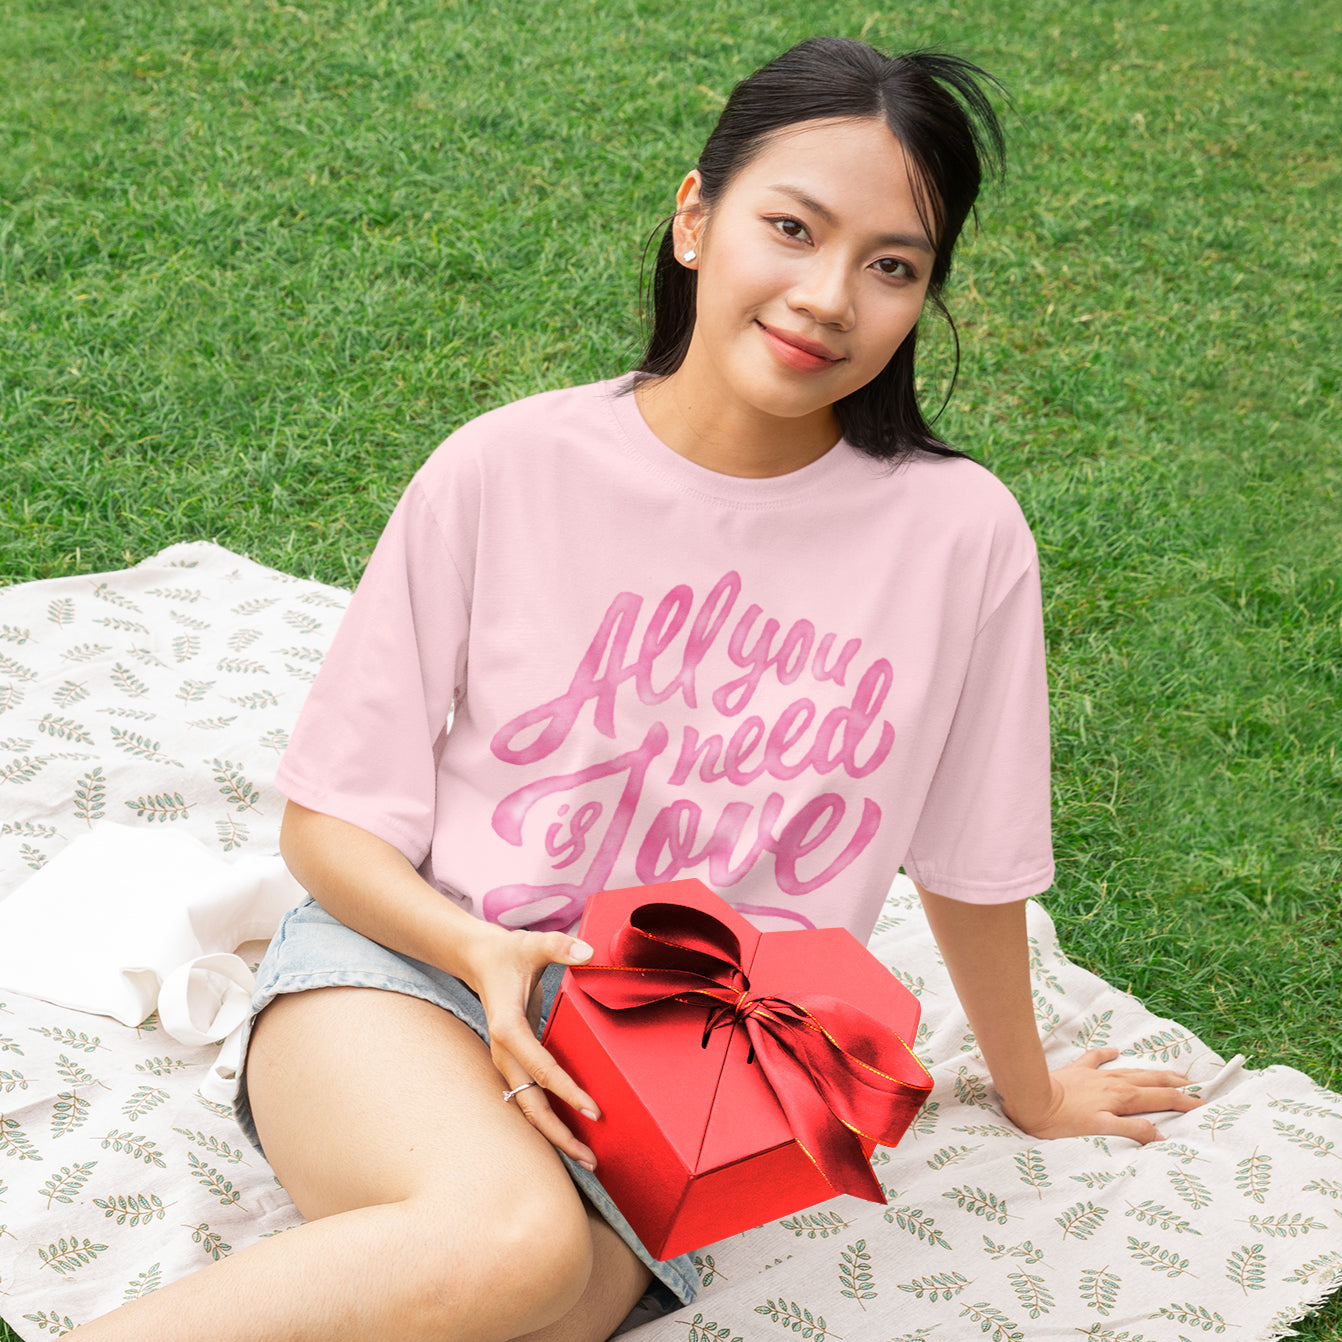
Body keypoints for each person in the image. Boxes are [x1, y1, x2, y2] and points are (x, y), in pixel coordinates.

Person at [70, 34, 1200, 1342]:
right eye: (791, 226)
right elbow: (325, 822)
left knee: (530, 1287)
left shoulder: (962, 536)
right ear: (694, 218)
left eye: (891, 266)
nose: (828, 295)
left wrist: (1028, 1087)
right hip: (411, 979)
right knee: (510, 1246)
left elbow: (971, 855)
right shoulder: (505, 468)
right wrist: (478, 951)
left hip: (693, 1088)